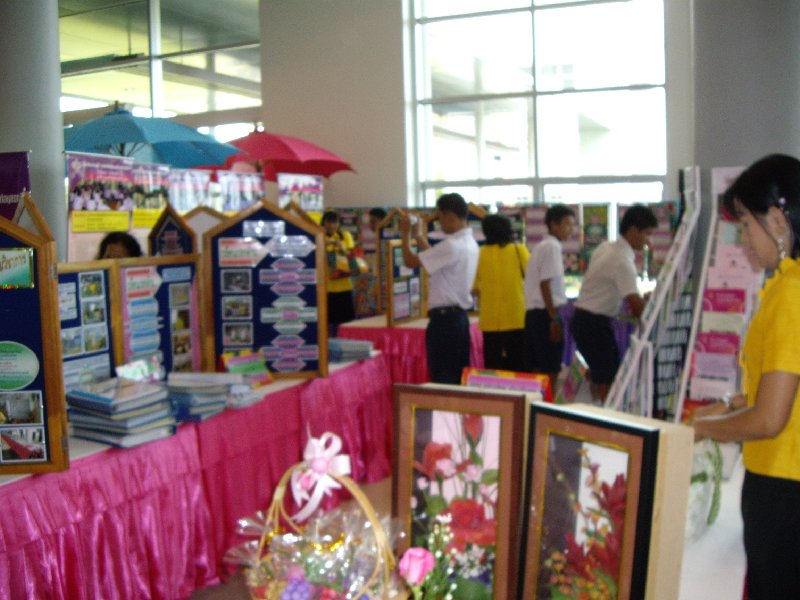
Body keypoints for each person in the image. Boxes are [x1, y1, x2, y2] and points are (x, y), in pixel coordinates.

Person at [692, 154, 800, 599]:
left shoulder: (791, 294)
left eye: (745, 224)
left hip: (783, 484)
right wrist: (730, 404)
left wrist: (702, 430)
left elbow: (770, 419)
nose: (743, 239)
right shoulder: (787, 285)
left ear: (776, 220)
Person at [571, 204, 657, 401]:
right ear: (633, 231)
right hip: (594, 323)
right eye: (647, 234)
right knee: (607, 375)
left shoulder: (606, 247)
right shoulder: (622, 260)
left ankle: (597, 408)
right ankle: (606, 414)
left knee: (601, 371)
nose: (649, 242)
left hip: (584, 320)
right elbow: (635, 304)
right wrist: (654, 318)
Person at [399, 193, 478, 384]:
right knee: (457, 378)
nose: (440, 224)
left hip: (444, 323)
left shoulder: (452, 245)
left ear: (449, 215)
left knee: (443, 379)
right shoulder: (470, 243)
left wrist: (404, 234)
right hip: (459, 319)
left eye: (440, 218)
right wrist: (418, 235)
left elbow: (410, 261)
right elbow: (431, 257)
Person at [523, 204, 577, 391]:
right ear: (554, 225)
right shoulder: (552, 246)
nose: (571, 230)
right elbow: (545, 283)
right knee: (550, 367)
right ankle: (547, 402)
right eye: (567, 224)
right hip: (545, 314)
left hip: (535, 314)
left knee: (538, 366)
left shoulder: (542, 246)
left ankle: (537, 400)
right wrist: (553, 317)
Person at [472, 214, 529, 371]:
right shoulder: (519, 250)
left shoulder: (479, 253)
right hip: (516, 316)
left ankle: (496, 388)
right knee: (518, 363)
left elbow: (475, 289)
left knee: (493, 365)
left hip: (490, 318)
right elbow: (532, 278)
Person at [322, 210, 356, 337]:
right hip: (326, 288)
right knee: (327, 321)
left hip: (344, 287)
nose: (331, 225)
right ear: (323, 223)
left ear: (339, 224)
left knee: (346, 321)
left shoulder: (345, 236)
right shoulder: (319, 237)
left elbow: (353, 262)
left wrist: (342, 249)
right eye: (328, 222)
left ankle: (346, 343)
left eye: (334, 222)